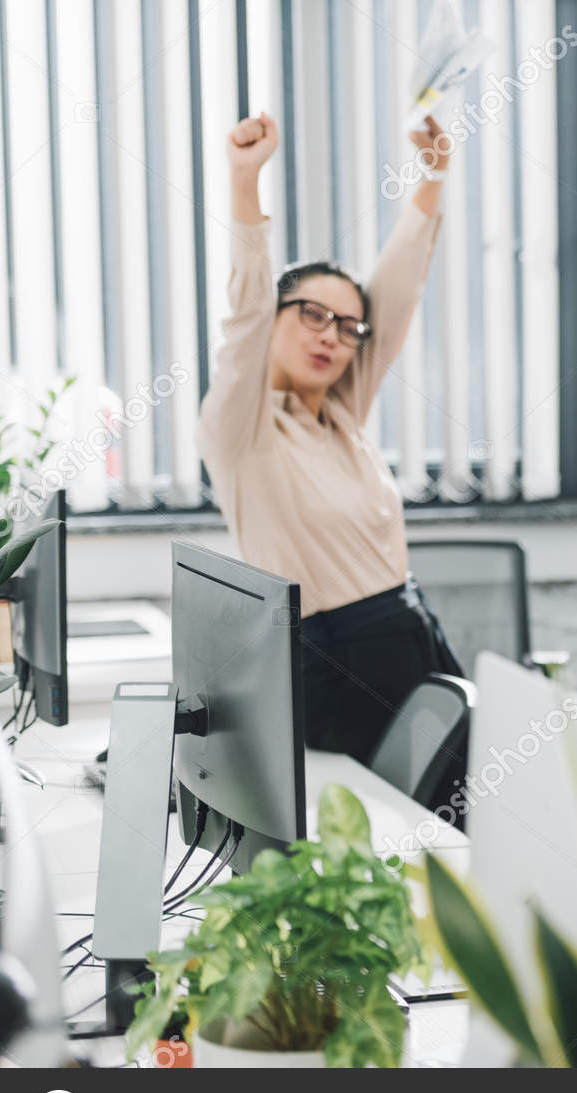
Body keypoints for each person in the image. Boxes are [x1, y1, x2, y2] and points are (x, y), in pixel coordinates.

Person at [196, 111, 462, 768]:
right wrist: (244, 181)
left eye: (346, 327)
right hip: (336, 663)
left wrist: (432, 178)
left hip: (411, 637)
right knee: (383, 830)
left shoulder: (342, 413)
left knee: (460, 818)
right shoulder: (240, 430)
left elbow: (394, 300)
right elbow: (245, 311)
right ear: (276, 319)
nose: (330, 335)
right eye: (312, 314)